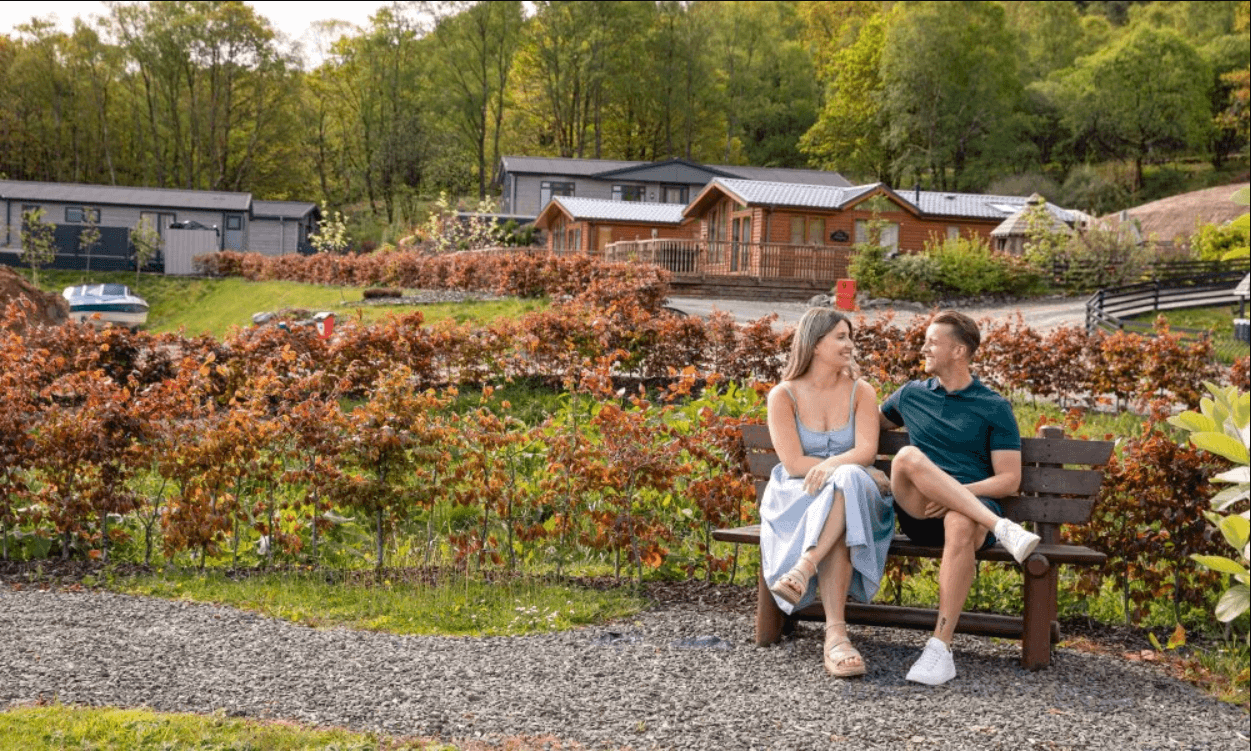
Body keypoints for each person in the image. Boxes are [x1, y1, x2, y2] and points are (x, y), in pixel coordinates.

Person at [879, 310, 1040, 686]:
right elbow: (866, 427)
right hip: (919, 510)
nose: (924, 348)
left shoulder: (994, 406)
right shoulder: (910, 395)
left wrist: (957, 496)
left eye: (933, 342)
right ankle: (1003, 529)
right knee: (906, 456)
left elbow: (1009, 480)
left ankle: (940, 647)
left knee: (961, 519)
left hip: (969, 516)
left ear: (959, 351)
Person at [760, 307, 895, 678]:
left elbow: (866, 451)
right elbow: (792, 464)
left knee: (849, 481)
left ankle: (803, 568)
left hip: (857, 495)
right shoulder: (783, 395)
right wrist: (837, 469)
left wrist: (835, 467)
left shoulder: (860, 392)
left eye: (850, 336)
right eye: (840, 336)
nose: (849, 344)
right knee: (843, 497)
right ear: (815, 343)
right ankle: (836, 638)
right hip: (799, 497)